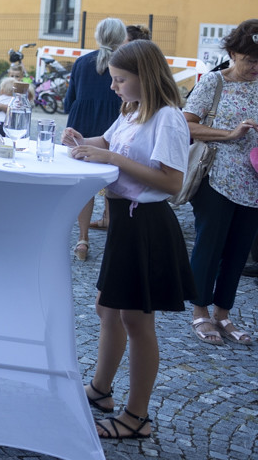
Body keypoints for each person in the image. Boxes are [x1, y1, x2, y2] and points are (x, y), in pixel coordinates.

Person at [61, 40, 194, 441]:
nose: (114, 86)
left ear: (144, 77)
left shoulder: (168, 118)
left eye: (120, 80)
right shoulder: (132, 110)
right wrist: (82, 141)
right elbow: (109, 143)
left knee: (136, 320)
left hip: (147, 224)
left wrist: (114, 160)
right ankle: (102, 391)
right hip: (124, 221)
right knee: (107, 308)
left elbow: (173, 182)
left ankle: (137, 416)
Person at [183, 19, 258, 346]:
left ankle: (223, 313)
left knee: (239, 251)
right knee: (210, 246)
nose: (256, 67)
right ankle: (200, 311)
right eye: (250, 60)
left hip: (253, 181)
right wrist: (229, 135)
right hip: (216, 177)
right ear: (232, 53)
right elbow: (186, 125)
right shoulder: (214, 83)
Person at [66, 18, 128, 261]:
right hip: (113, 124)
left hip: (82, 124)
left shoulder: (81, 62)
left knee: (85, 184)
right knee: (116, 179)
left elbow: (69, 100)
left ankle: (82, 240)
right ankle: (112, 230)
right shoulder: (125, 64)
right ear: (122, 38)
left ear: (98, 36)